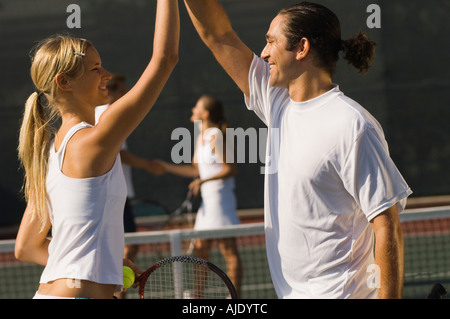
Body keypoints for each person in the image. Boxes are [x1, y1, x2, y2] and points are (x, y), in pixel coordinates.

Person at [183, 0, 412, 299]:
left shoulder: (353, 126)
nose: (263, 52)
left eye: (271, 42)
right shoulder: (277, 101)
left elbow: (387, 226)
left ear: (301, 48)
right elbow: (218, 35)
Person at [15, 0, 179, 299]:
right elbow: (165, 58)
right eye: (95, 68)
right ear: (64, 82)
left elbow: (26, 247)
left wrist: (104, 261)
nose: (106, 74)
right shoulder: (94, 140)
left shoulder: (50, 155)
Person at [153, 95, 243, 297]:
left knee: (228, 250)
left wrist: (204, 181)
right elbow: (197, 171)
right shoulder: (201, 137)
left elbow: (231, 169)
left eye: (197, 107)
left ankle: (234, 297)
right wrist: (166, 167)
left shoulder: (216, 136)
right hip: (207, 204)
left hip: (221, 201)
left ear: (206, 113)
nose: (193, 109)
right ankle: (198, 297)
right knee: (200, 252)